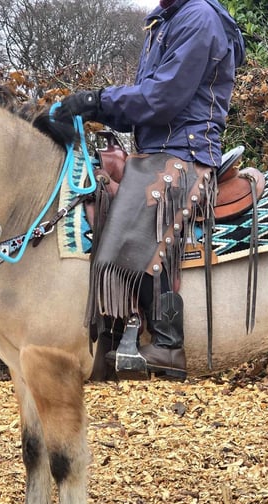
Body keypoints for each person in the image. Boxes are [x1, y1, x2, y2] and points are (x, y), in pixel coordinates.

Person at [56, 0, 245, 380]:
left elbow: (162, 98)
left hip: (186, 151)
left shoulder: (198, 17)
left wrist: (97, 102)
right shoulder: (164, 20)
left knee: (137, 214)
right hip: (156, 148)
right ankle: (112, 329)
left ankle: (166, 342)